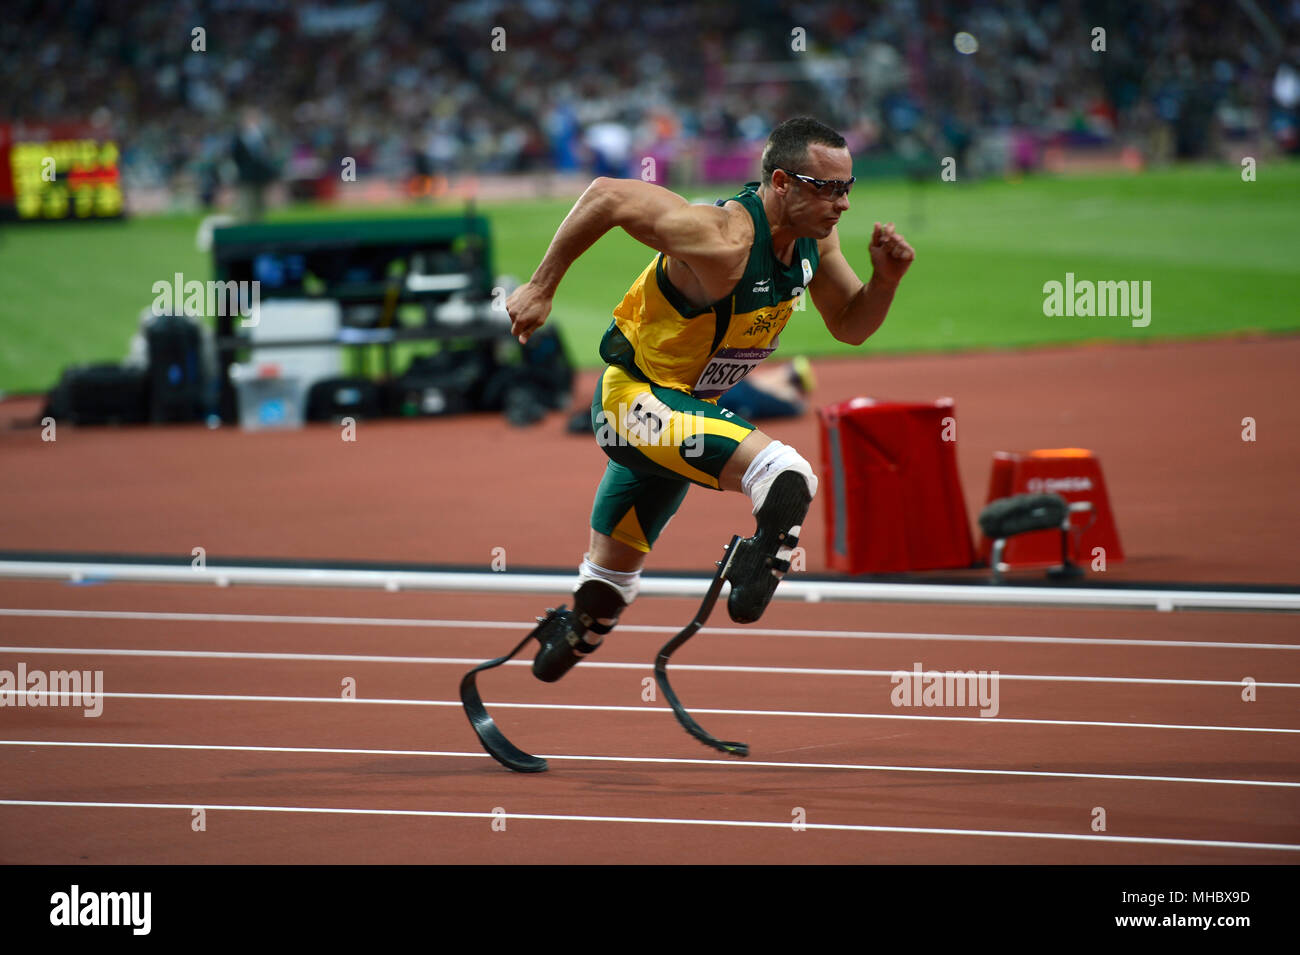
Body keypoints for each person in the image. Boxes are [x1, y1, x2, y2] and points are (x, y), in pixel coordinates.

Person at [505, 116, 915, 682]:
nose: (841, 203)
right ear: (781, 182)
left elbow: (850, 324)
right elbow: (607, 194)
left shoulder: (814, 241)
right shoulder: (722, 238)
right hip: (633, 405)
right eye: (826, 187)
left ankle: (574, 632)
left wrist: (885, 281)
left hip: (687, 413)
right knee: (785, 472)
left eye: (847, 187)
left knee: (610, 577)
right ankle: (753, 573)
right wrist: (541, 285)